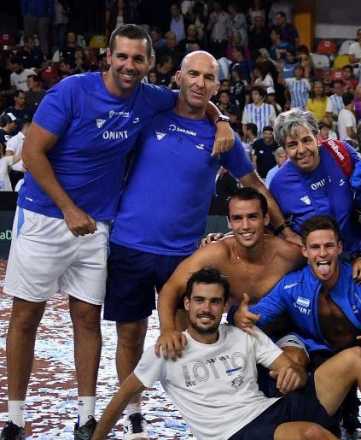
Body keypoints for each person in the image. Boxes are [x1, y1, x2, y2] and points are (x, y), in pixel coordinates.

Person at [1, 24, 233, 440]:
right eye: (121, 57)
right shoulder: (71, 92)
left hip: (97, 226)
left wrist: (222, 121)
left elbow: (195, 96)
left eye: (137, 58)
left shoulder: (149, 98)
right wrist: (69, 208)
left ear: (148, 64)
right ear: (107, 56)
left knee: (87, 319)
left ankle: (87, 415)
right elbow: (31, 153)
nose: (129, 65)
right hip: (43, 216)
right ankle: (15, 418)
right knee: (25, 317)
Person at [103, 50, 295, 438]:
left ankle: (213, 410)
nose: (199, 83)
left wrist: (285, 228)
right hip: (130, 242)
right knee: (130, 334)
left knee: (187, 335)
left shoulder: (220, 136)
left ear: (217, 86)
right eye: (192, 74)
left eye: (208, 78)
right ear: (178, 76)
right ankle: (136, 414)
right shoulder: (149, 114)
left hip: (181, 253)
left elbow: (254, 184)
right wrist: (220, 115)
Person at [93, 267, 361, 440]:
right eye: (199, 300)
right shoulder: (168, 350)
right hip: (233, 432)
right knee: (312, 435)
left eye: (214, 302)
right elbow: (122, 396)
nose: (206, 309)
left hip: (269, 408)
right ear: (187, 304)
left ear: (225, 307)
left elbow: (287, 368)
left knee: (356, 358)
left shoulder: (242, 334)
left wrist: (291, 372)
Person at [234, 215, 361, 440]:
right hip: (315, 351)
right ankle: (298, 420)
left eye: (328, 246)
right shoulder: (292, 285)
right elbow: (258, 315)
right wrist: (240, 316)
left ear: (339, 248)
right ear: (305, 252)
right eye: (315, 247)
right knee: (288, 360)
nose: (322, 253)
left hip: (360, 351)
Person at [269, 110, 361, 276]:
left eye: (306, 140)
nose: (301, 150)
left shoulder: (340, 152)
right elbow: (272, 232)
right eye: (292, 145)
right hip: (317, 269)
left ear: (317, 137)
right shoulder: (279, 184)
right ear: (284, 149)